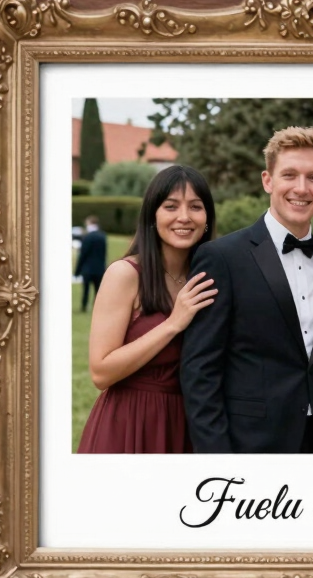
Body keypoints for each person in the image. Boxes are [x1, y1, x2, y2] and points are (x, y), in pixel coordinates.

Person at [180, 127, 313, 453]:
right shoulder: (222, 257)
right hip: (248, 443)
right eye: (289, 175)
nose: (301, 188)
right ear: (268, 180)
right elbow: (200, 371)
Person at [77, 166, 217, 454]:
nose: (184, 217)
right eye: (171, 206)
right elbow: (101, 373)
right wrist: (172, 324)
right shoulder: (125, 275)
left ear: (207, 218)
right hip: (130, 424)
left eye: (195, 207)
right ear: (153, 215)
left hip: (190, 427)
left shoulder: (209, 279)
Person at [75, 214, 108, 312]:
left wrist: (77, 270)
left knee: (86, 289)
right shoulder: (102, 236)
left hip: (88, 268)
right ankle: (98, 308)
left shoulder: (87, 237)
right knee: (98, 290)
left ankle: (84, 306)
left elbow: (83, 254)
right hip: (99, 268)